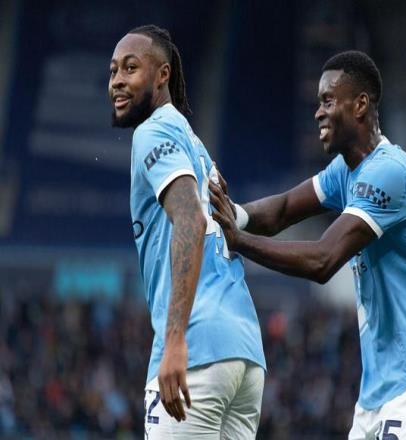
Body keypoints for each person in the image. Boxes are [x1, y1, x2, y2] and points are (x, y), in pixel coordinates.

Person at [209, 50, 406, 440]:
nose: (318, 112)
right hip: (378, 392)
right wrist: (232, 214)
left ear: (360, 104)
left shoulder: (389, 172)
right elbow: (283, 209)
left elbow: (323, 260)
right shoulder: (346, 171)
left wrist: (239, 241)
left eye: (328, 100)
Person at [108, 24, 266, 439]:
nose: (117, 81)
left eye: (130, 68)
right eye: (113, 71)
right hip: (244, 354)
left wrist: (175, 339)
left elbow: (191, 221)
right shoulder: (194, 144)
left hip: (197, 348)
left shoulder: (152, 132)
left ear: (163, 74)